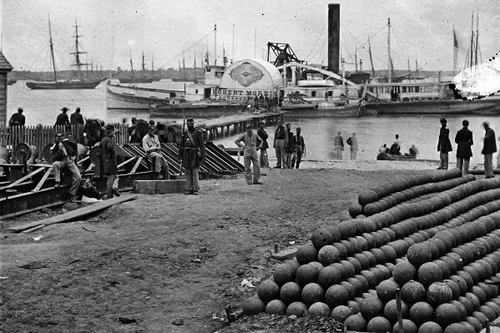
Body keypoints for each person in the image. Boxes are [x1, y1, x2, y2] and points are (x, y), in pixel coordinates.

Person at [50, 132, 82, 202]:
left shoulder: (67, 143)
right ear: (55, 138)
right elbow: (53, 158)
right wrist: (59, 150)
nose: (60, 139)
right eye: (58, 137)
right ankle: (57, 181)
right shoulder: (55, 147)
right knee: (55, 164)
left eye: (61, 137)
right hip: (61, 161)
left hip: (70, 160)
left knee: (78, 177)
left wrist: (75, 156)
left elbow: (75, 146)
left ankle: (71, 193)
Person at [179, 118, 206, 195]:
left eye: (190, 123)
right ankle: (188, 188)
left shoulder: (198, 133)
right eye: (188, 124)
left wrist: (203, 156)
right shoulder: (184, 133)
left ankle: (195, 188)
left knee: (194, 172)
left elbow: (202, 145)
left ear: (193, 124)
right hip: (186, 154)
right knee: (187, 172)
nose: (189, 125)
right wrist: (180, 155)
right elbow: (181, 145)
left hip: (194, 154)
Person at [99, 125, 120, 199]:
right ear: (111, 132)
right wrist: (111, 155)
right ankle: (109, 195)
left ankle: (111, 192)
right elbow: (109, 147)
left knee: (111, 178)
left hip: (105, 161)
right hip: (110, 161)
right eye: (113, 131)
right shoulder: (108, 140)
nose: (114, 132)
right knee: (112, 177)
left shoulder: (103, 139)